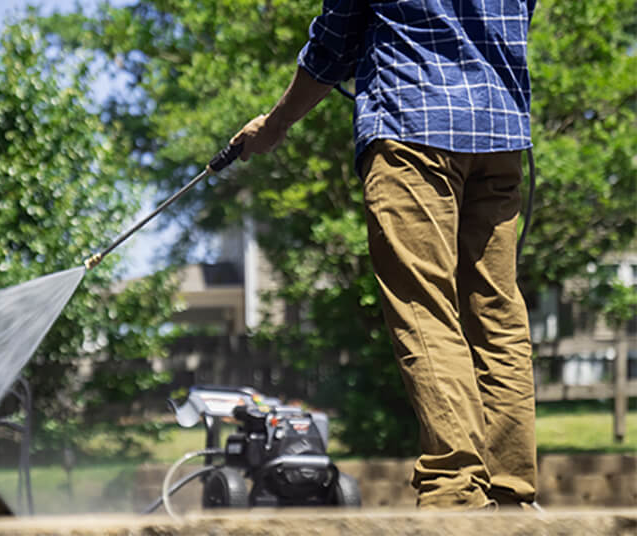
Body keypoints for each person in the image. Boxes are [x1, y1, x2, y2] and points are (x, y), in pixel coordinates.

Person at [230, 0, 538, 510]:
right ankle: (512, 497)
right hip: (500, 132)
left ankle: (456, 495)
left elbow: (333, 42)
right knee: (498, 316)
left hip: (413, 126)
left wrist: (277, 124)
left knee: (426, 309)